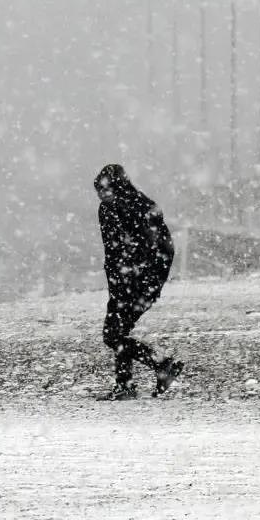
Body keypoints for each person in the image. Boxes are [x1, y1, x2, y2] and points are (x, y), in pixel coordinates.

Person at [93, 164, 183, 399]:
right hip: (135, 281)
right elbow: (162, 247)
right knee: (118, 333)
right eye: (99, 191)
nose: (102, 195)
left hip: (134, 282)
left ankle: (159, 365)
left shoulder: (123, 208)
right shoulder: (134, 205)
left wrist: (134, 279)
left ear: (117, 187)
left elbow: (123, 250)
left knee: (113, 334)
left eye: (105, 190)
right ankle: (127, 384)